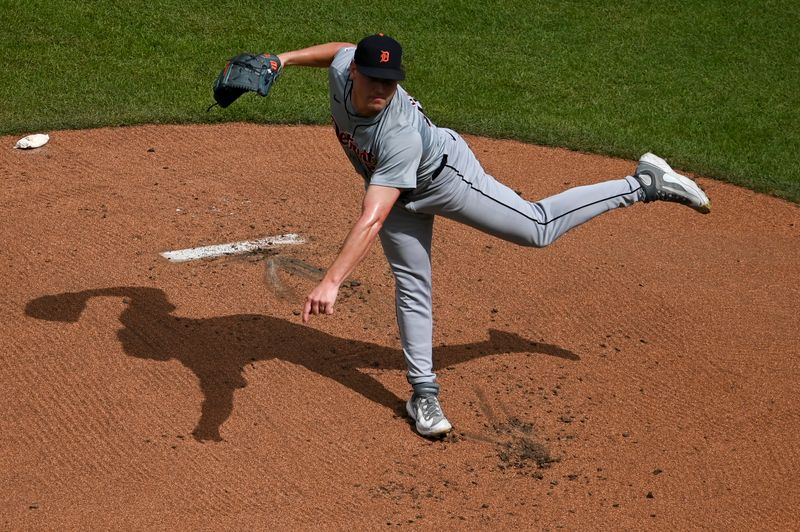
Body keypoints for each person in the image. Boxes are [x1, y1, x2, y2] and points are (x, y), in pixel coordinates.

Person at [275, 34, 711, 437]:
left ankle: (645, 183)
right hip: (398, 196)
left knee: (537, 228)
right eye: (374, 78)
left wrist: (331, 281)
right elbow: (340, 49)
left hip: (446, 178)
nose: (383, 90)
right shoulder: (343, 68)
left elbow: (372, 217)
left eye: (391, 82)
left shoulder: (399, 134)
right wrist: (283, 59)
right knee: (413, 285)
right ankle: (424, 395)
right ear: (355, 72)